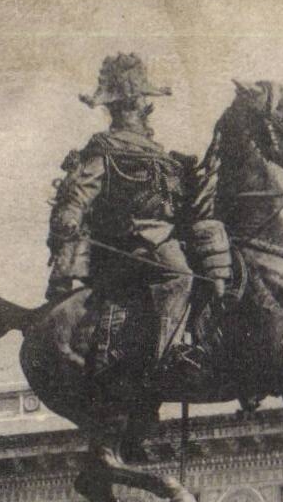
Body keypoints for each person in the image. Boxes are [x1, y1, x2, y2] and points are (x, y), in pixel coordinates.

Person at [46, 53, 227, 378]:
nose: (138, 109)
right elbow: (80, 192)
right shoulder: (104, 149)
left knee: (216, 265)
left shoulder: (158, 152)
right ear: (116, 108)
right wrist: (72, 214)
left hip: (167, 238)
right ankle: (166, 357)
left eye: (140, 102)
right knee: (180, 275)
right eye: (130, 104)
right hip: (133, 243)